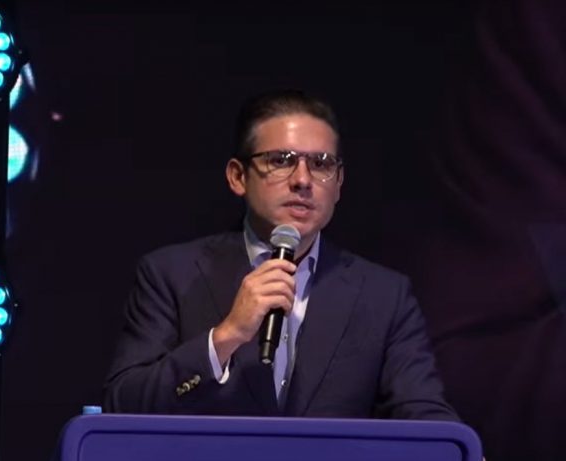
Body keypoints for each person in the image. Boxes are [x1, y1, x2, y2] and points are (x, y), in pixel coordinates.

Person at [103, 89, 460, 422]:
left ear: (339, 183)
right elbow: (123, 403)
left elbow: (424, 413)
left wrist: (463, 453)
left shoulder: (384, 296)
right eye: (281, 160)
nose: (303, 180)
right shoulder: (172, 275)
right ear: (238, 177)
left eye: (321, 164)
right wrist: (226, 336)